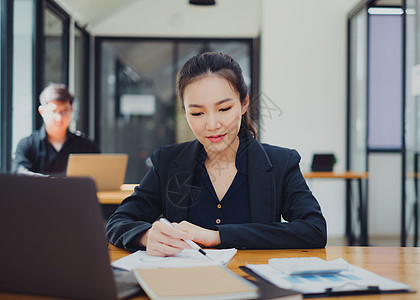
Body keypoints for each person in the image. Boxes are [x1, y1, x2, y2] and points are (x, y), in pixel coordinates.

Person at [106, 52, 326, 256]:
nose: (212, 124)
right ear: (185, 112)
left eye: (223, 109)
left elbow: (314, 229)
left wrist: (218, 236)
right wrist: (145, 236)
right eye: (197, 112)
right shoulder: (168, 161)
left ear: (243, 103)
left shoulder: (281, 163)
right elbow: (119, 221)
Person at [12, 83, 99, 177]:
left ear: (71, 110)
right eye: (54, 111)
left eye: (65, 111)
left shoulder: (86, 145)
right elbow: (19, 173)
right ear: (42, 111)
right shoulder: (27, 145)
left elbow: (101, 171)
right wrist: (50, 181)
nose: (59, 118)